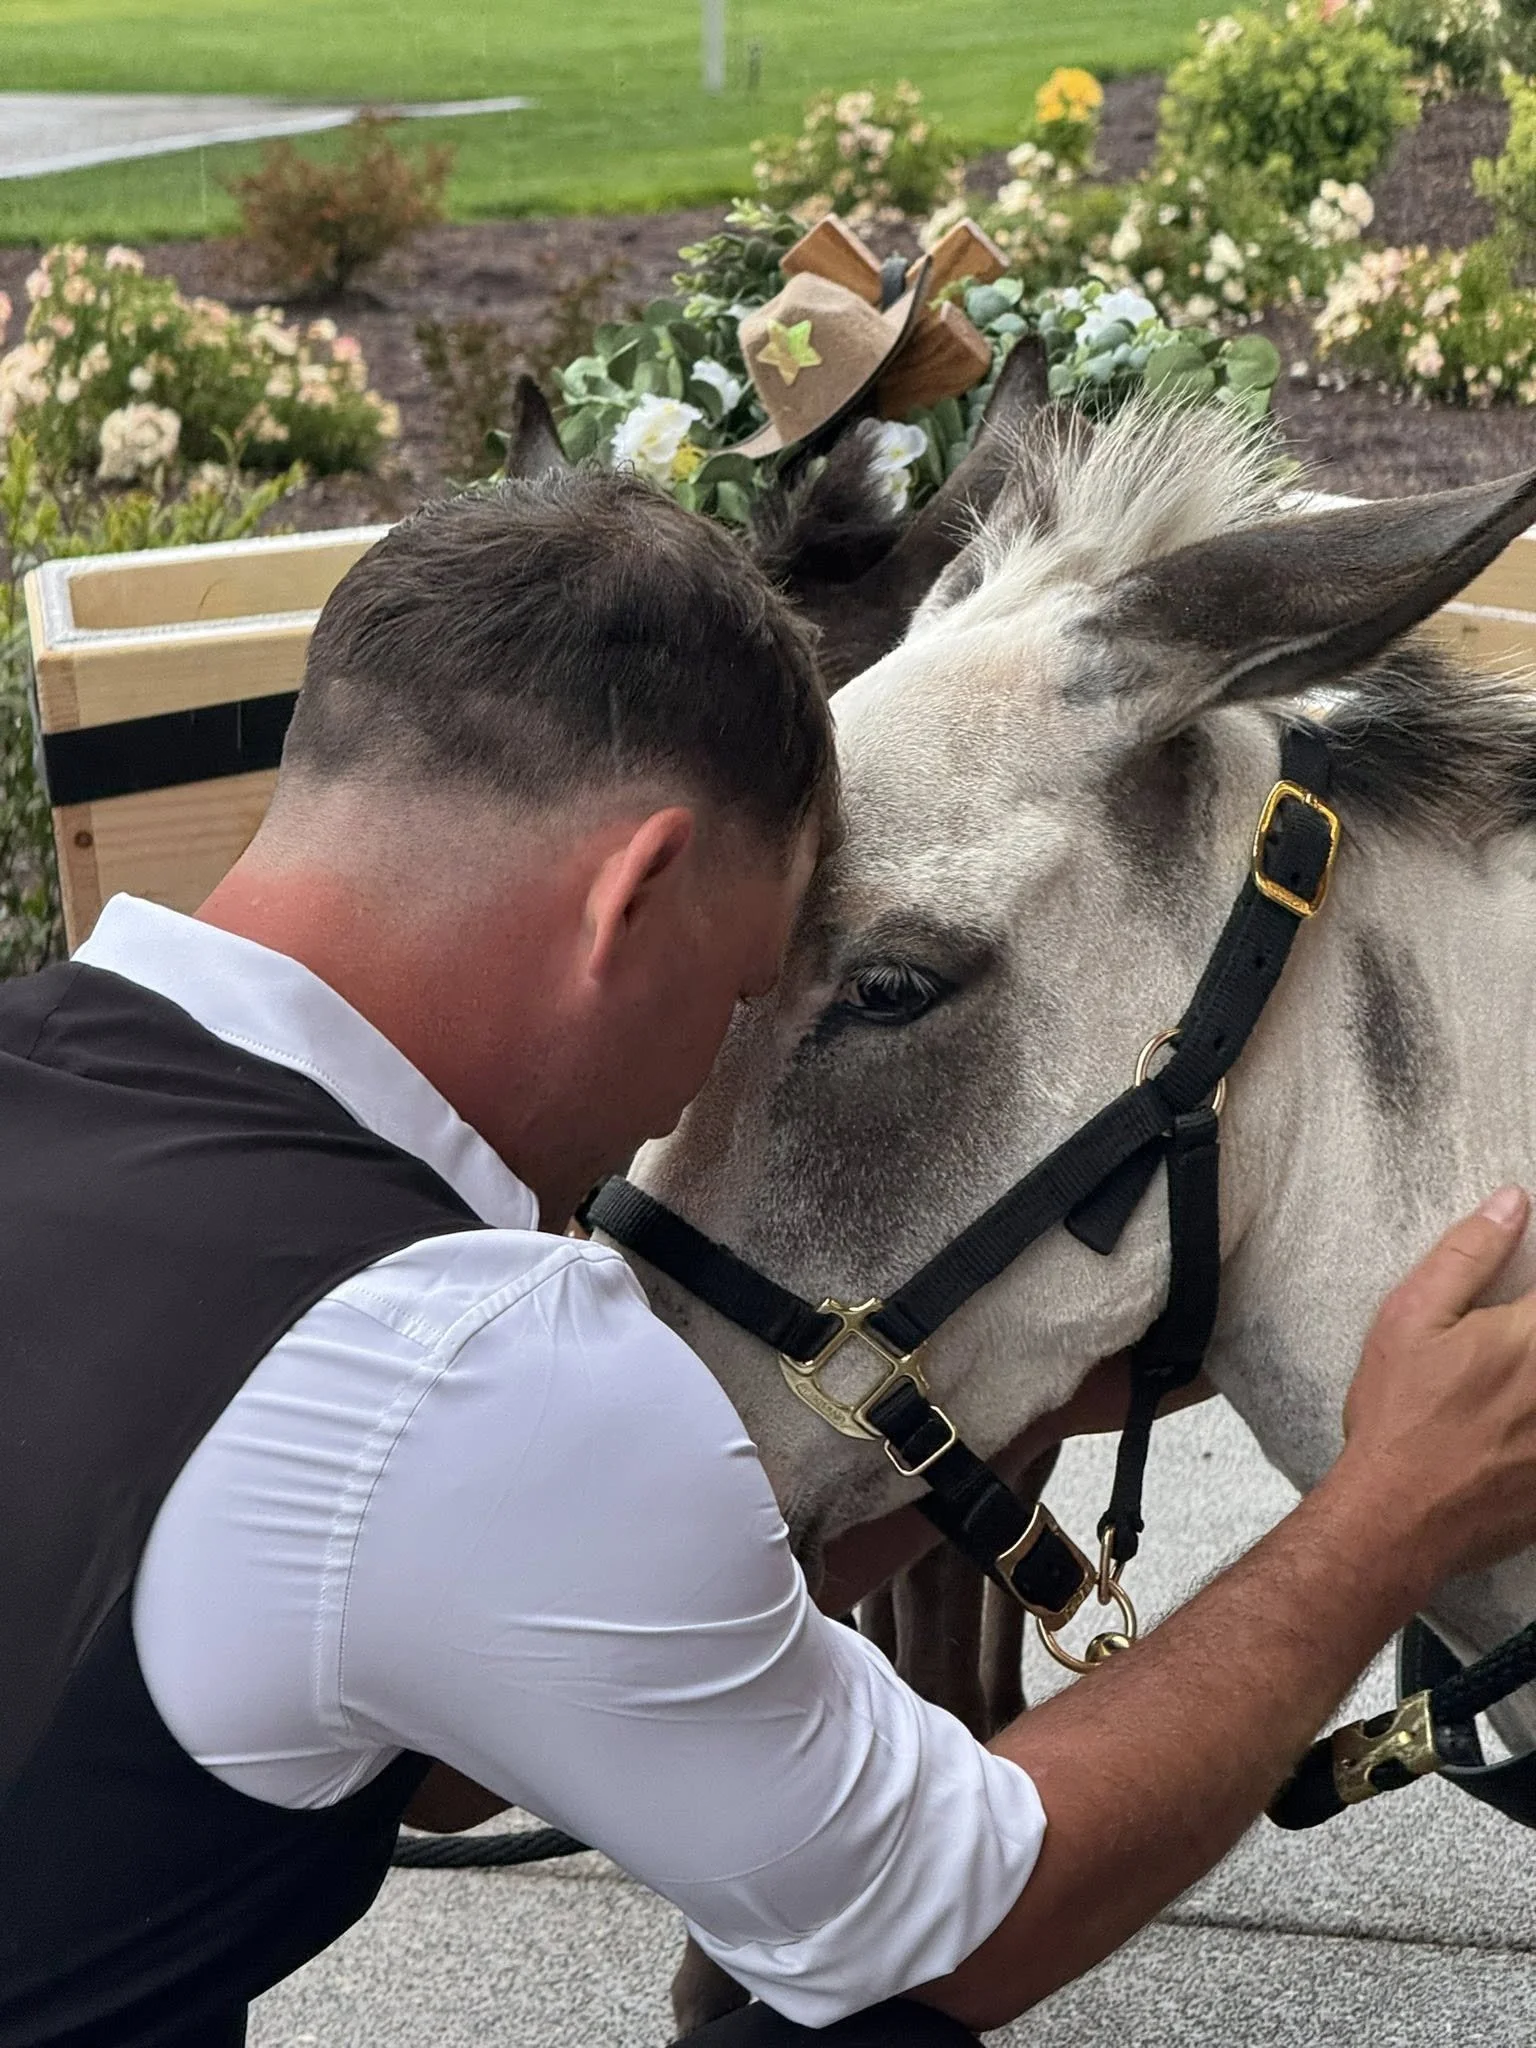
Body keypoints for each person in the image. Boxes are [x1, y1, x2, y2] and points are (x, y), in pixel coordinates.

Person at [5, 470, 1536, 2048]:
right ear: (637, 896)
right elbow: (957, 1925)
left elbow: (464, 1739)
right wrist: (1386, 1518)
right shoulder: (458, 1366)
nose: (692, 1100)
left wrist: (949, 1417)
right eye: (748, 998)